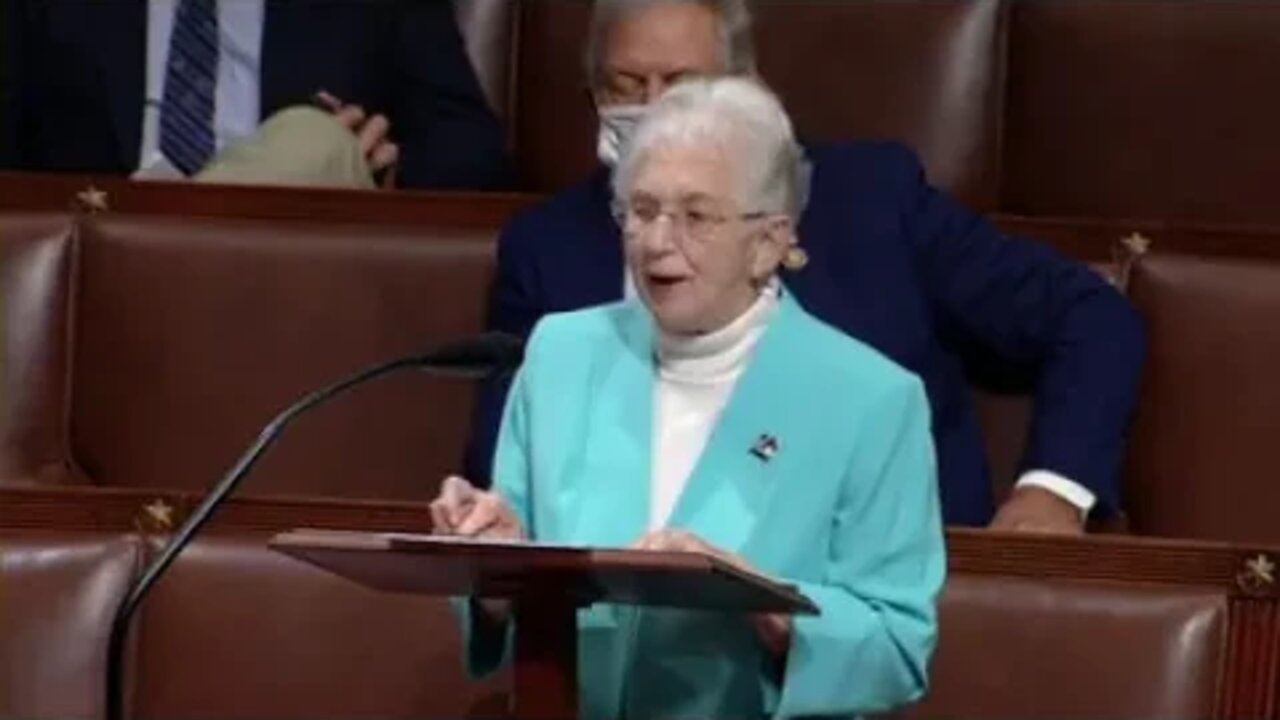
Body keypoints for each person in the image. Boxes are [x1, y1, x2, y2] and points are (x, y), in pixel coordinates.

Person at [465, 0, 1146, 532]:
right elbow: (509, 464)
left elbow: (1090, 316)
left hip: (884, 594)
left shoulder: (872, 200)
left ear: (747, 90)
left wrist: (1053, 491)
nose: (653, 108)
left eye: (681, 84)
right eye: (626, 85)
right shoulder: (548, 250)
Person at [432, 76, 944, 720]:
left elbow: (897, 648)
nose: (656, 241)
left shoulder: (871, 400)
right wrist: (492, 564)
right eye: (641, 211)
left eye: (695, 216)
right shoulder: (563, 352)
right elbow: (507, 610)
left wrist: (756, 600)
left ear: (769, 242)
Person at [0, 0, 511, 190]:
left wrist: (388, 169)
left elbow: (473, 149)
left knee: (309, 144)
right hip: (98, 262)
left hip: (279, 265)